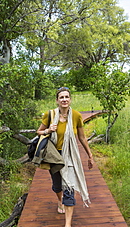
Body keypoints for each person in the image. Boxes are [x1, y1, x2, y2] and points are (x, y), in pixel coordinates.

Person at [37, 87, 94, 227]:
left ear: (70, 99)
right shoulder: (50, 115)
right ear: (57, 100)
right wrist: (48, 130)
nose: (64, 99)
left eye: (66, 97)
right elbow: (39, 132)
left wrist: (90, 155)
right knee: (57, 186)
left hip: (70, 155)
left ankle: (67, 224)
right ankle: (59, 199)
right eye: (61, 97)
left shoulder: (76, 116)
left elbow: (82, 137)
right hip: (53, 155)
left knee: (69, 187)